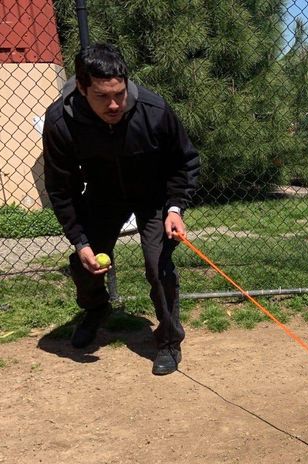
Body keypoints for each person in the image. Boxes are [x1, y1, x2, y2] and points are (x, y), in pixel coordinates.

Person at [42, 43, 199, 376]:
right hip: (103, 195)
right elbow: (61, 188)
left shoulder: (154, 110)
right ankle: (97, 310)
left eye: (120, 93)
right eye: (102, 96)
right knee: (83, 264)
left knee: (159, 267)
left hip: (153, 196)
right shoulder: (61, 122)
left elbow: (184, 161)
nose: (114, 104)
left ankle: (169, 340)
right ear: (83, 88)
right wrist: (81, 242)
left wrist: (175, 208)